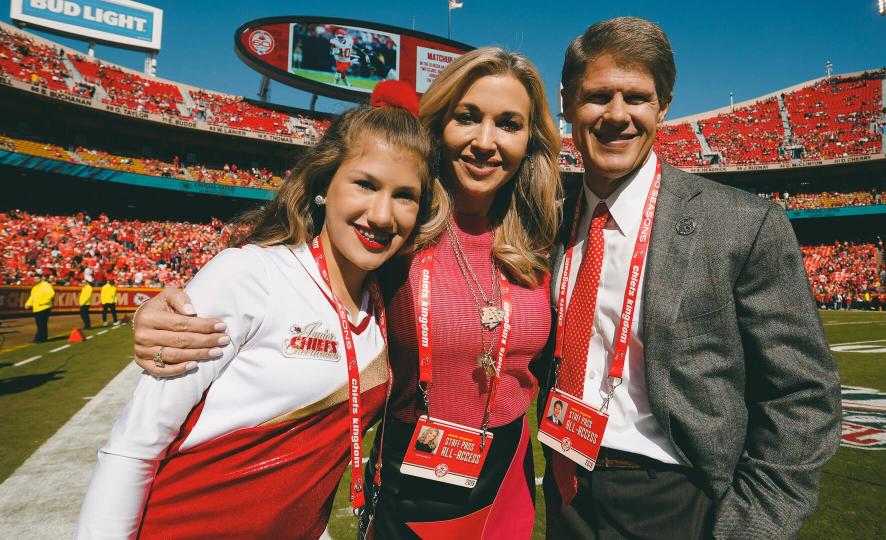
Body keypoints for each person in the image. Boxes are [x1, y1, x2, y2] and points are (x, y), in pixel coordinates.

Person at [129, 47, 562, 539]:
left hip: (507, 469)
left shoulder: (548, 235)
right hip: (411, 474)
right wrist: (165, 313)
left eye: (509, 123)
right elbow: (292, 260)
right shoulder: (399, 224)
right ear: (439, 125)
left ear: (532, 139)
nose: (485, 141)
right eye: (467, 117)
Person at [75, 83, 433, 539]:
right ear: (325, 183)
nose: (383, 214)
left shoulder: (388, 308)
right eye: (365, 184)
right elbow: (133, 446)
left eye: (405, 195)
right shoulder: (250, 274)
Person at [539, 17, 841, 538]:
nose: (617, 115)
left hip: (679, 496)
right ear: (565, 102)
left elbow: (803, 397)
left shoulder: (742, 225)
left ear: (663, 106)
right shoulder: (547, 217)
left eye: (636, 97)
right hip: (565, 484)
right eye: (597, 96)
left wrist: (750, 526)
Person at [24, 271, 54, 342]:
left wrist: (42, 302)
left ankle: (40, 338)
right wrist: (28, 304)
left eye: (37, 279)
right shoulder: (35, 288)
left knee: (42, 324)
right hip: (37, 308)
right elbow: (32, 297)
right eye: (35, 279)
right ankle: (42, 338)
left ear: (41, 279)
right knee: (39, 324)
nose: (35, 280)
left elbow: (51, 294)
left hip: (44, 307)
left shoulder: (46, 285)